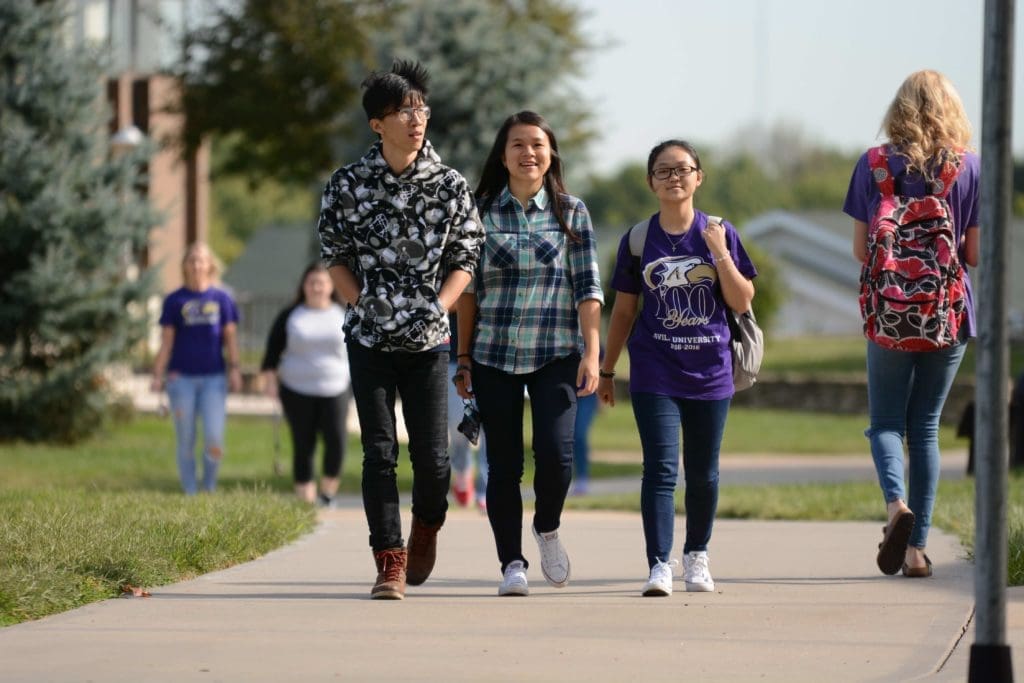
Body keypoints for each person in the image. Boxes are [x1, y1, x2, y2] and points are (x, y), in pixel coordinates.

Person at [317, 59, 483, 600]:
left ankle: (427, 526)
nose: (416, 119)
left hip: (429, 343)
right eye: (403, 111)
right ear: (377, 125)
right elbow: (335, 254)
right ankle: (389, 561)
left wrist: (440, 306)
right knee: (379, 452)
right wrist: (362, 301)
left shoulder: (450, 186)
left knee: (434, 461)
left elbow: (466, 256)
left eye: (421, 108)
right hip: (369, 340)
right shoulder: (347, 184)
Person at [597, 140, 757, 597]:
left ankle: (697, 556)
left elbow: (742, 300)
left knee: (704, 471)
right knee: (661, 470)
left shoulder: (721, 231)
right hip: (655, 370)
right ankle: (659, 565)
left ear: (698, 177)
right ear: (651, 182)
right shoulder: (638, 239)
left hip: (711, 369)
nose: (674, 178)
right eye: (663, 171)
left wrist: (719, 252)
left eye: (683, 169)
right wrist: (608, 370)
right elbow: (624, 312)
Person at [455, 111, 603, 596]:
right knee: (504, 464)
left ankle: (547, 526)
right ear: (503, 155)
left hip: (556, 351)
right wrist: (463, 357)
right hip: (493, 353)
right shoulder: (478, 213)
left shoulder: (571, 211)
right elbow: (468, 292)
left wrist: (592, 353)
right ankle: (511, 563)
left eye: (537, 144)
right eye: (517, 144)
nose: (528, 153)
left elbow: (588, 287)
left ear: (550, 153)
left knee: (557, 458)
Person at [843, 70, 980, 578]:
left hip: (889, 313)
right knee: (925, 427)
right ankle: (918, 550)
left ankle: (895, 505)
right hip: (947, 312)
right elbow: (974, 254)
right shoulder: (971, 168)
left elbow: (861, 249)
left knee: (884, 423)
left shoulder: (874, 164)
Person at [151, 242, 243, 495]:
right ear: (184, 266)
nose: (196, 264)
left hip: (214, 378)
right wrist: (157, 374)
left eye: (201, 259)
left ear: (210, 265)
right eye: (191, 259)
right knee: (186, 438)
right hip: (181, 379)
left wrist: (235, 369)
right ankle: (190, 490)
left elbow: (230, 339)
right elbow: (167, 341)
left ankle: (209, 485)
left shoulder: (222, 299)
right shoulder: (174, 300)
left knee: (214, 438)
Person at [260, 263, 351, 507]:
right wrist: (270, 383)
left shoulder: (344, 313)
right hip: (295, 389)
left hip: (336, 388)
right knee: (303, 444)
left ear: (331, 286)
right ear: (304, 286)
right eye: (312, 282)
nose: (317, 287)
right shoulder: (290, 315)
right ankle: (306, 500)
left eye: (322, 282)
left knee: (336, 441)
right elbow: (271, 355)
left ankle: (327, 493)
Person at [447, 313, 488, 510]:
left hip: (490, 355)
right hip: (454, 355)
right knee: (458, 424)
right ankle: (462, 467)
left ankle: (486, 487)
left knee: (491, 427)